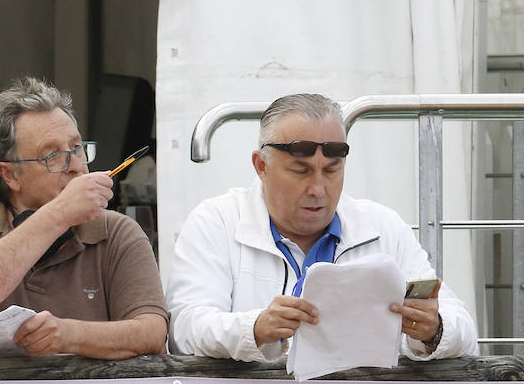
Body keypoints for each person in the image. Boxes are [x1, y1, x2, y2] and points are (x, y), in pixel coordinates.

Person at [165, 92, 478, 363]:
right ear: (261, 166)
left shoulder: (383, 226)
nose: (318, 188)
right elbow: (185, 329)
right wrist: (255, 329)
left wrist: (433, 330)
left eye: (332, 170)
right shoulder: (215, 222)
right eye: (301, 171)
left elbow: (463, 328)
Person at [0, 77, 167, 358]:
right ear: (10, 174)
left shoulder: (116, 231)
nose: (77, 167)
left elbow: (152, 333)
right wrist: (60, 213)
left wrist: (69, 336)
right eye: (52, 155)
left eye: (77, 148)